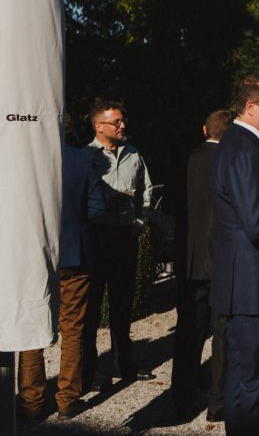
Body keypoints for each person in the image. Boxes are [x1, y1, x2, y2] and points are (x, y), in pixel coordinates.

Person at [209, 74, 259, 435]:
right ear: (251, 106)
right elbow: (257, 225)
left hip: (249, 287)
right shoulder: (244, 149)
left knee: (248, 382)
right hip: (254, 290)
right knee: (255, 385)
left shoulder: (242, 144)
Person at [18, 116, 105, 421]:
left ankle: (30, 400)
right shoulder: (83, 159)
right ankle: (67, 398)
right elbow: (97, 208)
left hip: (34, 255)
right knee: (73, 328)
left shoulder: (25, 160)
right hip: (74, 253)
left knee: (33, 326)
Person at [83, 99, 155, 387]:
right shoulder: (86, 157)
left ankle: (124, 365)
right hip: (96, 239)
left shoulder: (133, 154)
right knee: (90, 310)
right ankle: (88, 371)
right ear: (99, 127)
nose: (123, 125)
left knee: (122, 306)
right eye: (117, 122)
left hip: (125, 237)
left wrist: (139, 222)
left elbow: (146, 192)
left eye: (123, 120)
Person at [171, 109, 233, 421]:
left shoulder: (185, 160)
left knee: (187, 330)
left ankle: (181, 396)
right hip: (221, 256)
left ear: (203, 129)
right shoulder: (230, 162)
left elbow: (172, 207)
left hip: (188, 257)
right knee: (221, 330)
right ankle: (217, 400)